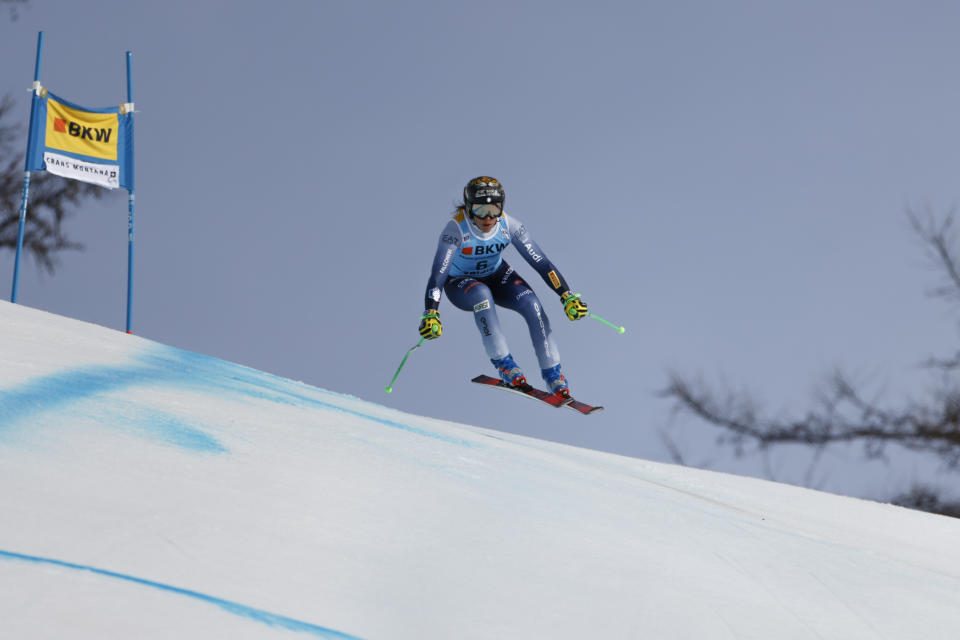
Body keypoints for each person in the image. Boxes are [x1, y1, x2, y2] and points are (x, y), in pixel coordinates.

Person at [419, 176, 589, 399]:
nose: (488, 218)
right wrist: (431, 311)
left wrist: (566, 295)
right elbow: (438, 274)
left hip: (497, 275)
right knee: (482, 295)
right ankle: (505, 364)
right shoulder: (456, 230)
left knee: (532, 303)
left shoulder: (510, 226)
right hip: (460, 283)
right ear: (469, 208)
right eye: (480, 210)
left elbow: (542, 263)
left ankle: (553, 374)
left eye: (494, 209)